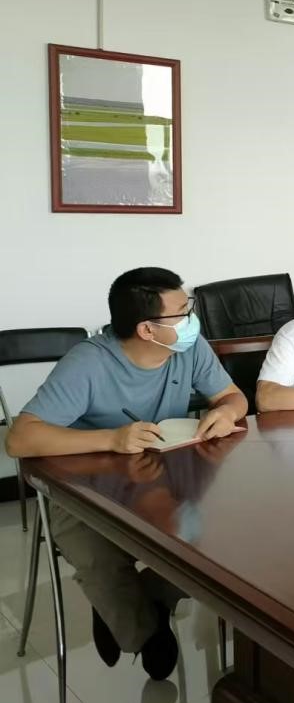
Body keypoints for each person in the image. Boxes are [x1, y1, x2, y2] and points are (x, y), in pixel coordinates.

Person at [4, 267, 249, 680]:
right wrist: (111, 439)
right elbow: (19, 440)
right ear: (147, 329)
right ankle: (143, 631)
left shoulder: (189, 347)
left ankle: (137, 600)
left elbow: (232, 396)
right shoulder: (89, 362)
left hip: (165, 475)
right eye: (182, 313)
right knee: (101, 559)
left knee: (220, 540)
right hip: (83, 486)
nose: (192, 319)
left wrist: (226, 412)